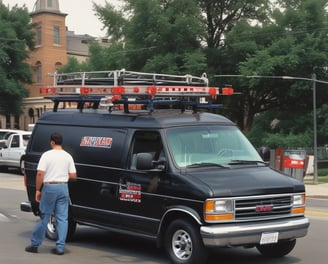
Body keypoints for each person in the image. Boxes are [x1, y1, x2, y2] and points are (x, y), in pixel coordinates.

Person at [25, 132, 77, 255]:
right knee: (62, 218)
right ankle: (60, 247)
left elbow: (40, 174)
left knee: (45, 216)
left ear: (52, 142)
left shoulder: (47, 155)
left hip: (50, 187)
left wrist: (38, 189)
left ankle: (34, 244)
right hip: (63, 187)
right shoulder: (68, 156)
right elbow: (74, 176)